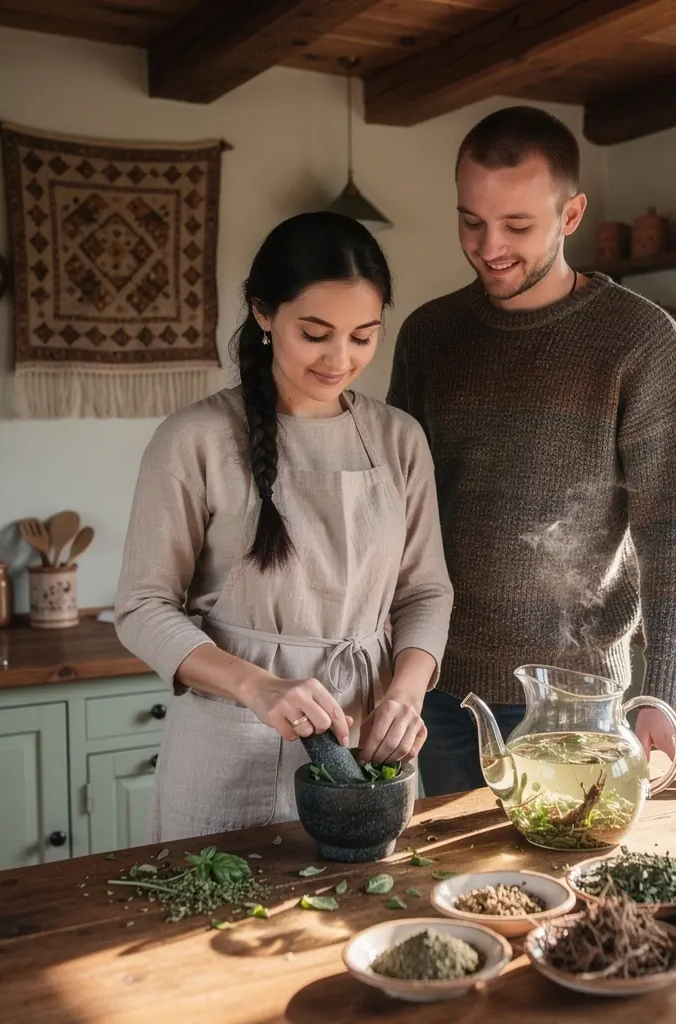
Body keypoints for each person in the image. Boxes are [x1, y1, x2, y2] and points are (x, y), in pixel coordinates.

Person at [387, 106, 676, 799]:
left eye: (517, 226)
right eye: (472, 221)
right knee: (461, 893)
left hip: (575, 698)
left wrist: (672, 694)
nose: (490, 246)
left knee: (570, 888)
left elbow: (672, 529)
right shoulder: (429, 336)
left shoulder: (638, 340)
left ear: (571, 215)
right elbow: (393, 514)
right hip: (437, 687)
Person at [115, 212, 453, 843]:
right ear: (264, 314)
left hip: (367, 740)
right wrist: (260, 687)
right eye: (316, 333)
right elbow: (141, 607)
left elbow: (426, 591)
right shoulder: (196, 439)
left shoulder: (399, 439)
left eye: (362, 336)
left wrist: (404, 696)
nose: (340, 360)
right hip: (230, 739)